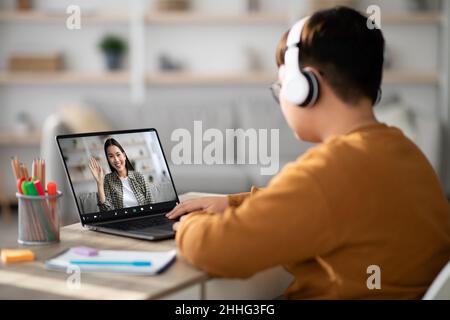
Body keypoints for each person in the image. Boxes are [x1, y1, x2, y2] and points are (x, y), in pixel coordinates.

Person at [166, 7, 450, 299]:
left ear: (305, 86)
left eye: (281, 87)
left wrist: (189, 224)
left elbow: (216, 250)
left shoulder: (329, 169)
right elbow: (329, 205)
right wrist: (234, 202)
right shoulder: (406, 152)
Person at [89, 138, 157, 211]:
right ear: (108, 160)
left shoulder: (139, 176)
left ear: (124, 155)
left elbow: (150, 202)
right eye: (111, 156)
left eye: (118, 154)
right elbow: (106, 210)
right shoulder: (108, 180)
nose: (116, 160)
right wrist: (99, 183)